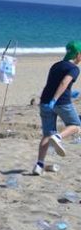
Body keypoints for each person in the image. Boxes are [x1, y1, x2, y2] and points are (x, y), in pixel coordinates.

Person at [32, 41, 81, 176]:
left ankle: (39, 165)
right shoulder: (74, 69)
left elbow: (52, 84)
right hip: (60, 102)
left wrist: (70, 93)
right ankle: (58, 137)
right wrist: (55, 99)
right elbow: (64, 82)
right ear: (78, 55)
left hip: (44, 102)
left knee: (47, 134)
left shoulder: (55, 65)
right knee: (76, 125)